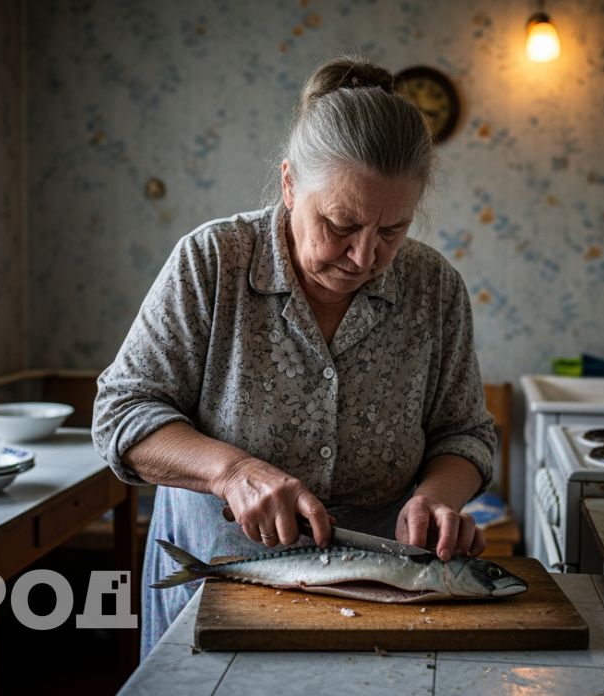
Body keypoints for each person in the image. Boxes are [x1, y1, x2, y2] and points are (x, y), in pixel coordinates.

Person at [92, 57, 497, 657]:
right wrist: (229, 471)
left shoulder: (434, 288)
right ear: (288, 185)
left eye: (392, 231)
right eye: (341, 224)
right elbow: (120, 414)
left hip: (384, 596)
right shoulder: (212, 263)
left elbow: (465, 434)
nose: (364, 256)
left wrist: (438, 495)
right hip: (219, 586)